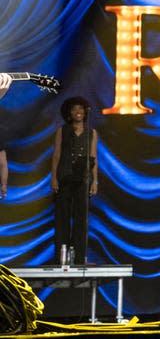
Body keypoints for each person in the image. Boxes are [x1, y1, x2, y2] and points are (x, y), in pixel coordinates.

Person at [51, 96, 98, 265]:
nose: (78, 111)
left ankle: (79, 258)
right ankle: (60, 258)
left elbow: (94, 157)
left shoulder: (91, 133)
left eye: (81, 108)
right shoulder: (62, 131)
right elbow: (56, 155)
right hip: (65, 177)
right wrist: (54, 178)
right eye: (74, 109)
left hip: (83, 179)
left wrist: (95, 181)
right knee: (62, 218)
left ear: (85, 112)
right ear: (70, 113)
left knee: (81, 220)